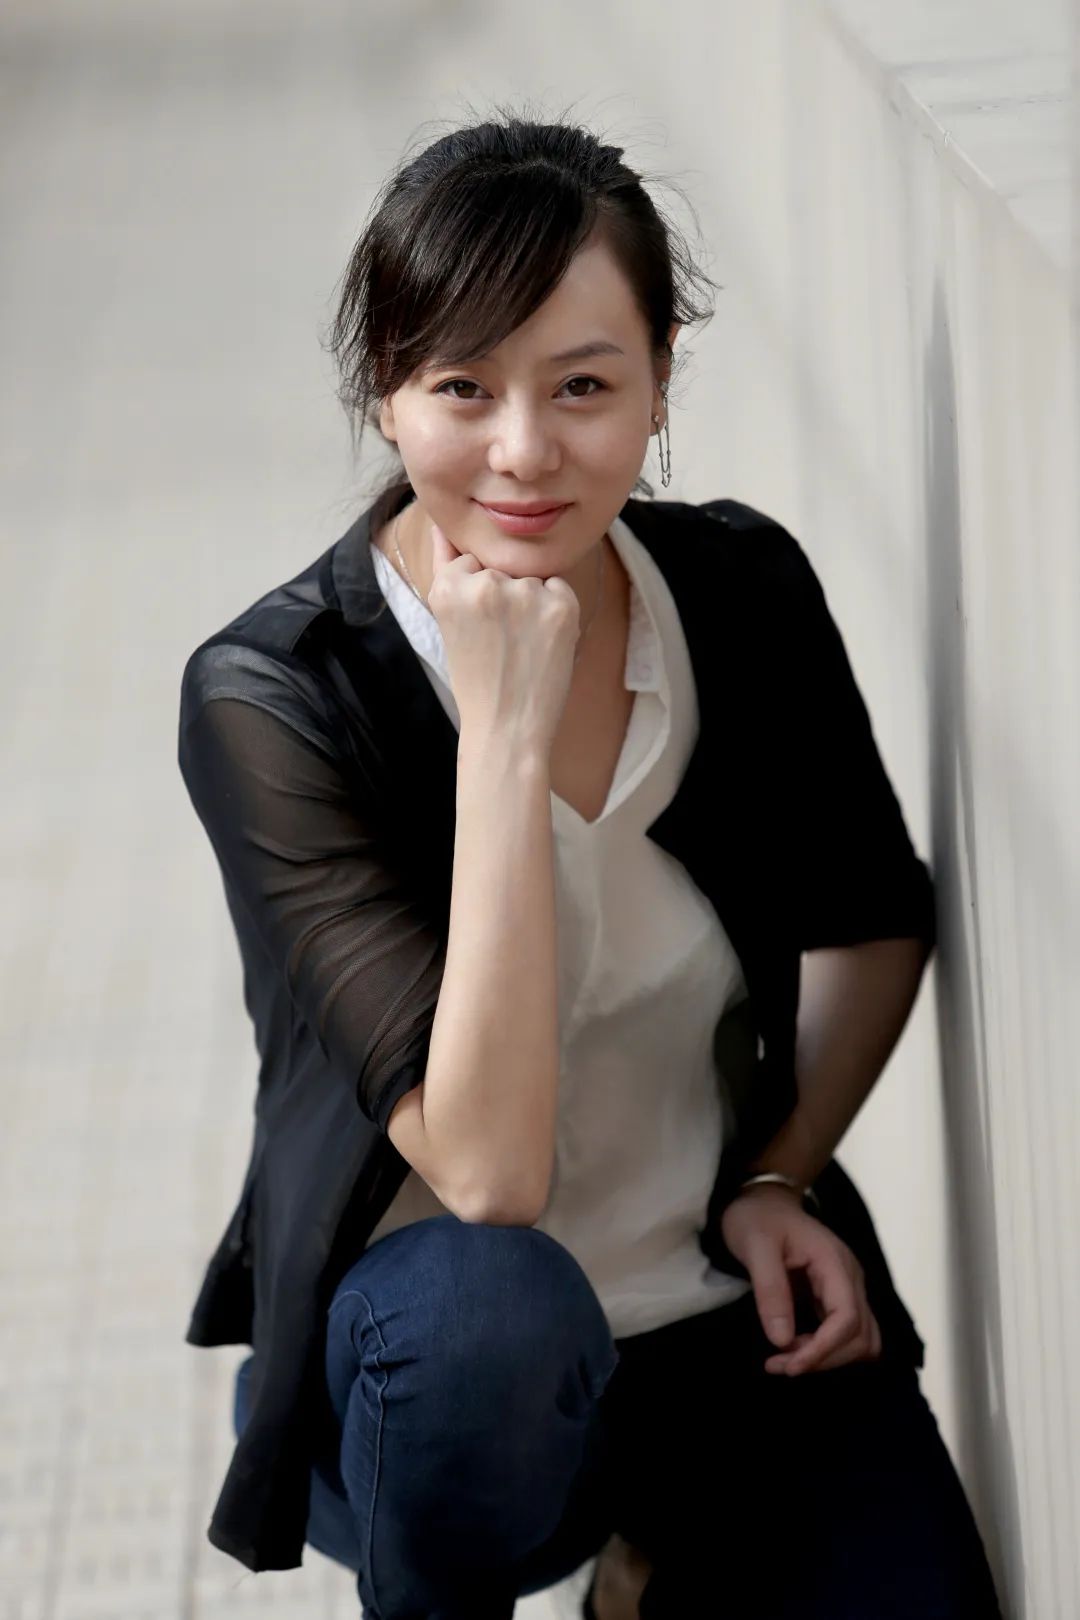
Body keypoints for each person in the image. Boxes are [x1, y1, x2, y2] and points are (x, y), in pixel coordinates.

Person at [178, 105, 1003, 1618]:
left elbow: (876, 914)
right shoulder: (278, 698)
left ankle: (653, 1564)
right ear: (384, 392)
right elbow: (489, 1173)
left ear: (661, 381)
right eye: (461, 386)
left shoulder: (736, 589)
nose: (523, 451)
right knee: (489, 1314)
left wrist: (780, 1169)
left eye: (582, 386)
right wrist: (502, 734)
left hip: (724, 1312)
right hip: (433, 1373)